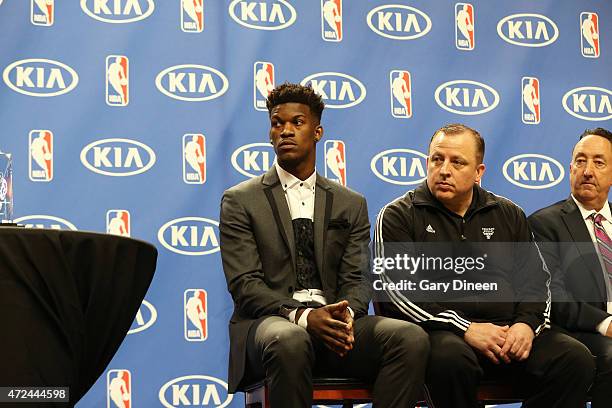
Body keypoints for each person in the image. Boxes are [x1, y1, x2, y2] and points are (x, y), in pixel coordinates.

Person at [219, 83, 429, 407]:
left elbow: (358, 280)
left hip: (334, 328)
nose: (286, 131)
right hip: (271, 329)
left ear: (317, 132)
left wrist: (342, 318)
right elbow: (245, 286)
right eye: (277, 123)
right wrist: (303, 317)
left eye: (297, 123)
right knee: (289, 340)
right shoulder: (241, 201)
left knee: (409, 339)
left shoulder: (350, 203)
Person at [374, 123, 595, 408]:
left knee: (574, 359)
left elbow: (537, 283)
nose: (444, 170)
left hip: (508, 332)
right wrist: (466, 328)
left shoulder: (508, 213)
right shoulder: (398, 215)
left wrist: (526, 325)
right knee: (450, 360)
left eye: (457, 162)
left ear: (479, 172)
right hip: (445, 334)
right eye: (437, 159)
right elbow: (397, 292)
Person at [529, 127, 612, 407]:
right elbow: (553, 295)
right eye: (580, 161)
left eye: (599, 162)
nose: (587, 170)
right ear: (570, 169)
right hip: (579, 332)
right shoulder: (545, 224)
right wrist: (606, 323)